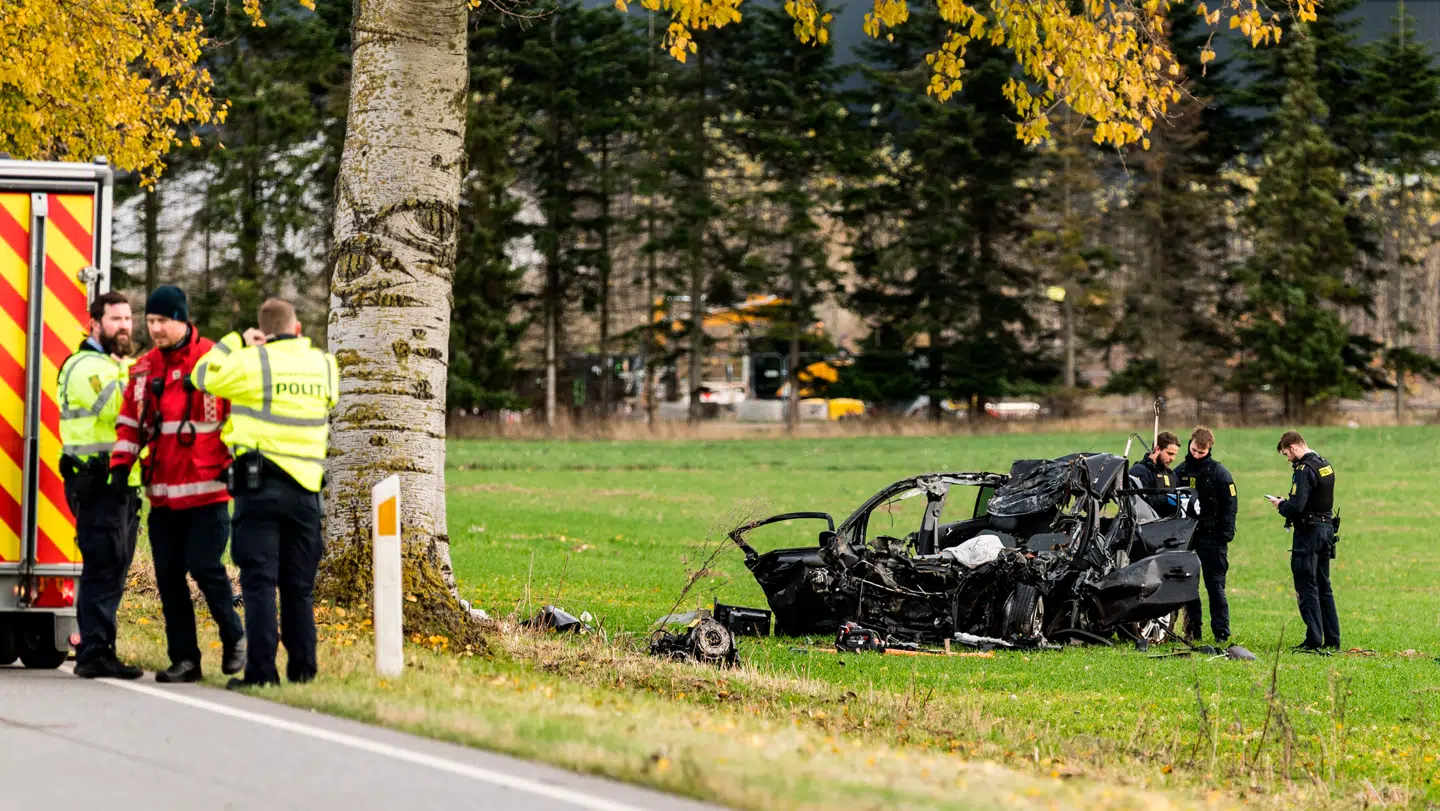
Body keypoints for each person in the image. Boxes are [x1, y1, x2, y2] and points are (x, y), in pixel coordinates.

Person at [191, 298, 338, 689]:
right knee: (299, 587)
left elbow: (202, 374)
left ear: (263, 332)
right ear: (299, 329)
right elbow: (330, 400)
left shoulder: (252, 362)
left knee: (259, 583)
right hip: (307, 490)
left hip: (259, 489)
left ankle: (262, 673)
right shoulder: (325, 365)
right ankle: (304, 671)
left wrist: (236, 342)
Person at [109, 285, 245, 683]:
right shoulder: (144, 368)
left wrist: (239, 460)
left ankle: (235, 634)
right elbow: (130, 423)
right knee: (168, 577)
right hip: (164, 495)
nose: (154, 329)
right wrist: (120, 466)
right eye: (150, 321)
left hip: (208, 490)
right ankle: (185, 659)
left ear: (182, 319)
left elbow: (241, 414)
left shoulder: (215, 360)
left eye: (162, 321)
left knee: (205, 567)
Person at [58, 292, 144, 679]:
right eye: (115, 319)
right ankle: (93, 651)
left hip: (120, 484)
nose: (124, 326)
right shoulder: (84, 366)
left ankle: (102, 647)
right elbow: (118, 407)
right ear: (94, 322)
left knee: (115, 567)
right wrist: (131, 373)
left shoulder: (115, 366)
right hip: (95, 483)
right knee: (103, 564)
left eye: (128, 318)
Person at [1267, 431, 1340, 654]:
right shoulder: (1324, 464)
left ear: (1294, 447)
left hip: (1308, 533)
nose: (1288, 458)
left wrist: (1281, 505)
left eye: (1287, 454)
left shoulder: (1304, 470)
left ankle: (1314, 639)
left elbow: (1297, 506)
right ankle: (1332, 639)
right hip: (1326, 529)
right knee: (1324, 586)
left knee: (1306, 585)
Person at [1174, 427, 1237, 644]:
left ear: (1209, 448)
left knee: (1215, 586)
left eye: (1201, 452)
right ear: (1189, 444)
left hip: (1213, 538)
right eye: (1193, 450)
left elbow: (1230, 505)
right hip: (1188, 537)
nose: (1196, 455)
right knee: (1188, 585)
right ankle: (1193, 631)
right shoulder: (1179, 472)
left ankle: (1221, 632)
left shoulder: (1220, 473)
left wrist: (1226, 534)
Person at [1129, 431, 1180, 516]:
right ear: (1157, 449)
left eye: (1175, 455)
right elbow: (1138, 502)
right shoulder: (1139, 471)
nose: (1173, 459)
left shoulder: (1171, 474)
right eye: (1170, 454)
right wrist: (1166, 499)